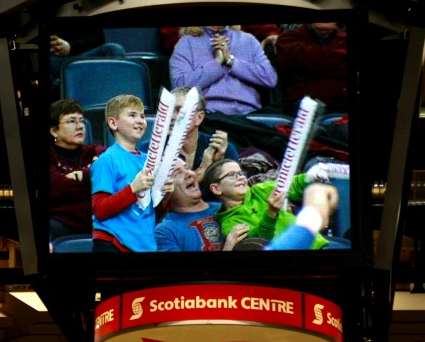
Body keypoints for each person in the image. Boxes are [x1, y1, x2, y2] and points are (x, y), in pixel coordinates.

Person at [90, 94, 172, 252]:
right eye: (132, 115)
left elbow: (151, 212)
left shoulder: (151, 161)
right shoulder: (106, 160)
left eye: (142, 116)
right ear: (113, 123)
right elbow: (100, 210)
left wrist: (166, 196)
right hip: (113, 243)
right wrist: (133, 188)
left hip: (144, 245)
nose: (140, 121)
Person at [200, 158, 333, 249]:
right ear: (216, 188)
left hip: (319, 246)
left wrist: (310, 176)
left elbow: (294, 185)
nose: (240, 177)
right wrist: (271, 213)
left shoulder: (261, 189)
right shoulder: (230, 224)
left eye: (240, 173)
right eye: (232, 175)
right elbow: (259, 244)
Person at [138, 85, 240, 182]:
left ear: (199, 117)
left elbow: (237, 192)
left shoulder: (220, 148)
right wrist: (204, 168)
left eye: (180, 110)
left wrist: (218, 165)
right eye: (168, 110)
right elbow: (161, 194)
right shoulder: (149, 150)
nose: (171, 116)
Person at [169, 25, 278, 115]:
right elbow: (180, 86)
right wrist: (217, 63)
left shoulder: (248, 40)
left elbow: (270, 79)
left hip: (249, 115)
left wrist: (231, 61)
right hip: (207, 116)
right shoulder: (186, 43)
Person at [154, 159, 248, 251]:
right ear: (164, 189)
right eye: (177, 173)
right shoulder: (165, 232)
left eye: (187, 168)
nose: (189, 174)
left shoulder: (227, 208)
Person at [48, 99, 106, 246]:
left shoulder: (96, 151)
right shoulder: (49, 156)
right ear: (55, 130)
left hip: (100, 224)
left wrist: (83, 175)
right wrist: (94, 177)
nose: (79, 126)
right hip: (62, 225)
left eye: (81, 121)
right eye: (71, 121)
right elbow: (57, 189)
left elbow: (115, 175)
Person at [273, 22, 347, 115]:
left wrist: (309, 68)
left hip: (342, 104)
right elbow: (304, 62)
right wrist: (341, 58)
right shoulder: (288, 38)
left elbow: (311, 62)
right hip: (301, 104)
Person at [47, 27, 127, 89]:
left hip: (83, 54)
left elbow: (98, 38)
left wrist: (70, 46)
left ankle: (111, 91)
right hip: (54, 60)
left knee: (114, 49)